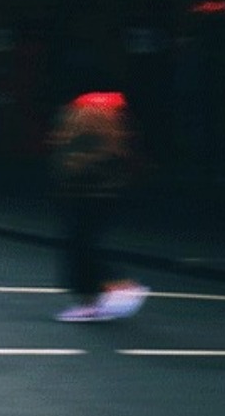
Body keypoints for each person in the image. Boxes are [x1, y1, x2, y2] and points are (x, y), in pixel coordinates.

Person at [46, 91, 149, 322]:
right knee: (81, 244)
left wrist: (78, 164)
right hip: (86, 193)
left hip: (94, 194)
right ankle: (93, 299)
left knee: (83, 244)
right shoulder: (101, 122)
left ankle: (109, 290)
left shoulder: (100, 123)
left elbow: (102, 158)